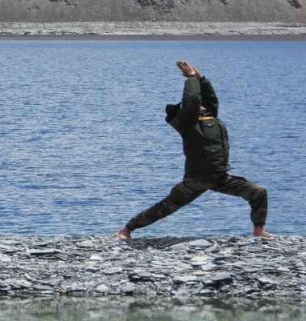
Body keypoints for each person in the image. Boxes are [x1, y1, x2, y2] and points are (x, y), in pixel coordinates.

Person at [116, 61, 271, 240]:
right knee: (165, 208)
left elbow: (210, 99)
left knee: (258, 192)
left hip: (220, 177)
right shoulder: (188, 123)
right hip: (196, 180)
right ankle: (127, 229)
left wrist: (201, 78)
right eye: (197, 107)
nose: (202, 106)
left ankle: (259, 231)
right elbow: (192, 100)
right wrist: (190, 79)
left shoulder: (210, 118)